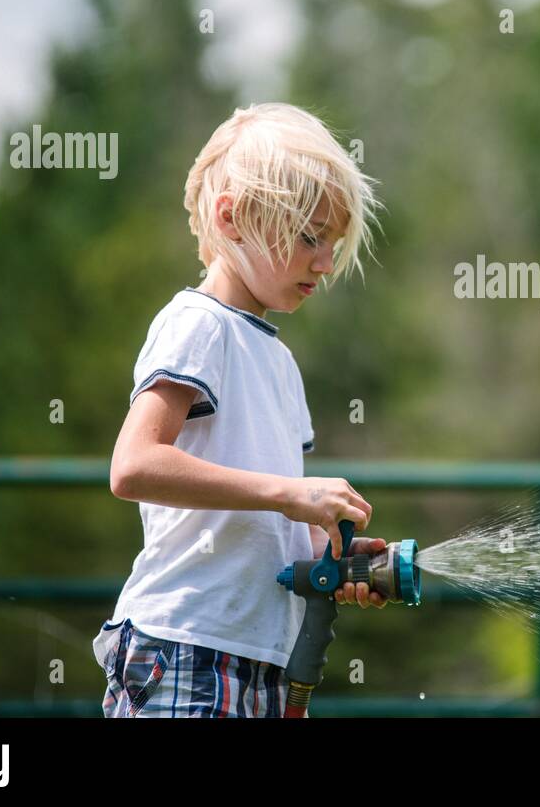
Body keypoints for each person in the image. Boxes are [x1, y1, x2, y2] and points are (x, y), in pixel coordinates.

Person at [93, 102, 385, 717]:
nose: (326, 264)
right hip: (186, 643)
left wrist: (334, 555)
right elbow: (134, 465)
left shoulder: (279, 362)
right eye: (310, 237)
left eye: (332, 244)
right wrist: (289, 494)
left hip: (260, 655)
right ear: (232, 218)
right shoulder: (198, 325)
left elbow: (287, 525)